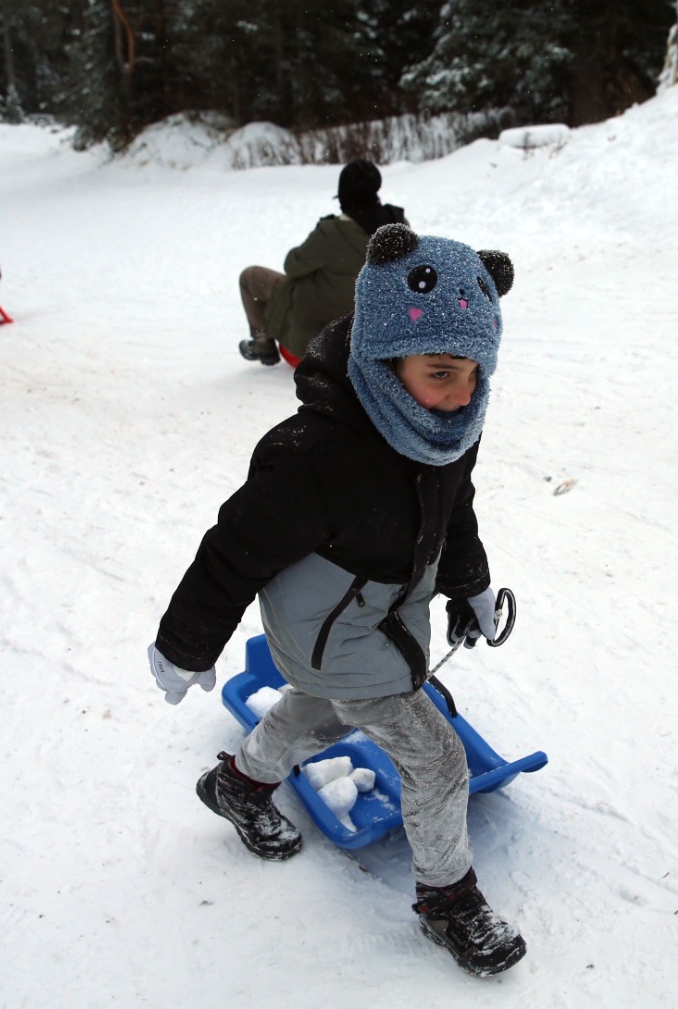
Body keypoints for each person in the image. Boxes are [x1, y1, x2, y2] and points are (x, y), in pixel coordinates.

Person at [149, 223, 527, 977]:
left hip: (377, 617)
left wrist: (471, 585)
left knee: (320, 706)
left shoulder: (448, 428)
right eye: (442, 372)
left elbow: (455, 511)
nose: (461, 396)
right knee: (438, 761)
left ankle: (240, 783)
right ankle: (447, 901)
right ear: (385, 356)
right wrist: (186, 643)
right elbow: (234, 549)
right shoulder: (314, 454)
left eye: (474, 374)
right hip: (328, 627)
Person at [237, 160, 408, 366]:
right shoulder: (399, 227)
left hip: (321, 350)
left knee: (251, 277)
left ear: (343, 196)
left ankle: (263, 344)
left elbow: (292, 266)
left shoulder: (331, 233)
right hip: (375, 341)